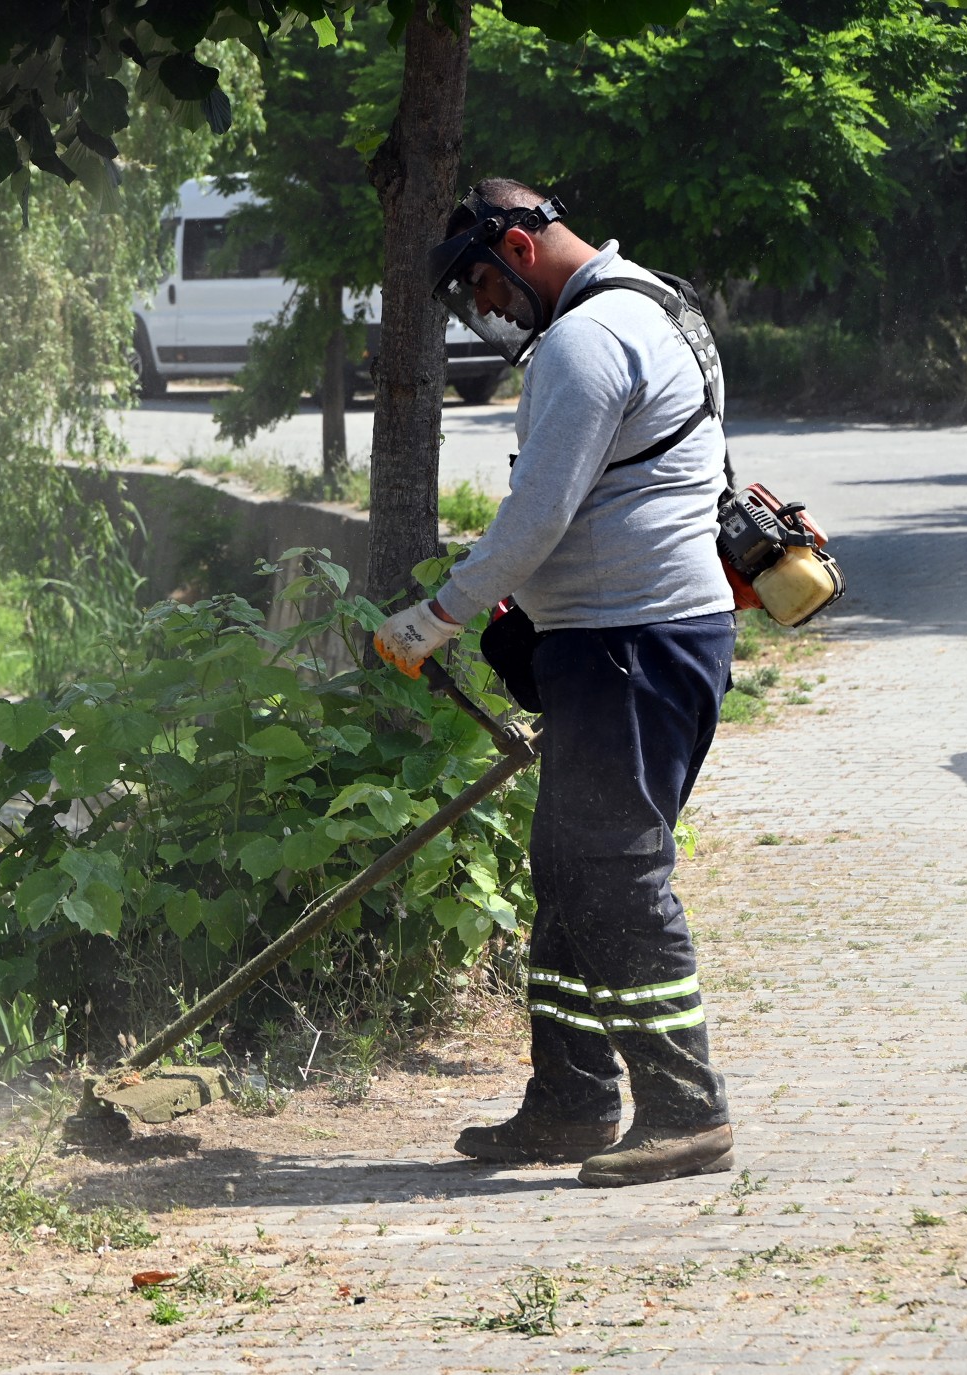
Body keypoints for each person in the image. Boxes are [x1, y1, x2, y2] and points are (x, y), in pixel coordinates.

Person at [373, 178, 736, 1187]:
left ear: (522, 248)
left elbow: (537, 517)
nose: (488, 312)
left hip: (636, 641)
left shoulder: (587, 338)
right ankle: (571, 1100)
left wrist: (431, 620)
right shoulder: (657, 307)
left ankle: (685, 1110)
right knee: (570, 870)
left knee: (613, 871)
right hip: (627, 638)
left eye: (486, 288)